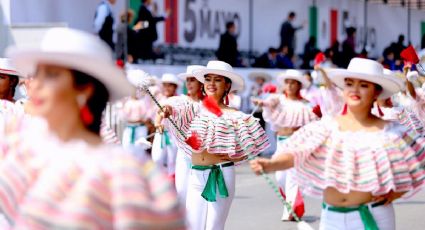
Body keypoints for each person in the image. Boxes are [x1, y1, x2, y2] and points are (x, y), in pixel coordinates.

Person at [3, 27, 185, 229]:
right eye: (36, 73)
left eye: (51, 74)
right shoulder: (23, 146)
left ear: (85, 89)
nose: (34, 84)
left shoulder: (125, 174)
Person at [251, 58, 425, 230]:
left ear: (377, 92)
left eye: (364, 85)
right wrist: (271, 164)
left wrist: (396, 193)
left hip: (373, 217)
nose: (355, 89)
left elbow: (419, 162)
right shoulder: (327, 126)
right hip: (331, 218)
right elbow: (296, 153)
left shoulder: (390, 131)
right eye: (349, 84)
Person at [158, 60, 270, 230]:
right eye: (208, 79)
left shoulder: (236, 116)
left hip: (221, 175)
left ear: (227, 85)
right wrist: (166, 109)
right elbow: (174, 107)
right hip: (195, 174)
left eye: (217, 80)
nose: (211, 83)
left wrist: (239, 156)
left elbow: (252, 146)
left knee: (213, 227)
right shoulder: (194, 109)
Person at [252, 69, 320, 221]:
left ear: (299, 85)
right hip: (282, 143)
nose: (289, 86)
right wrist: (262, 103)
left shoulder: (306, 104)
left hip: (297, 144)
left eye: (293, 83)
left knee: (292, 177)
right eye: (287, 82)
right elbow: (269, 102)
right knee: (281, 177)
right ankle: (291, 204)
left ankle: (290, 210)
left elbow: (315, 124)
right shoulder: (278, 100)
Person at [152, 73, 181, 178]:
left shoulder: (179, 100)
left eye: (170, 85)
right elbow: (155, 115)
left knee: (172, 160)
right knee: (156, 158)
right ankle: (159, 182)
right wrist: (157, 123)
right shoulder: (159, 99)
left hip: (173, 134)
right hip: (159, 133)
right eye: (165, 85)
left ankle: (172, 185)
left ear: (175, 87)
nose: (167, 88)